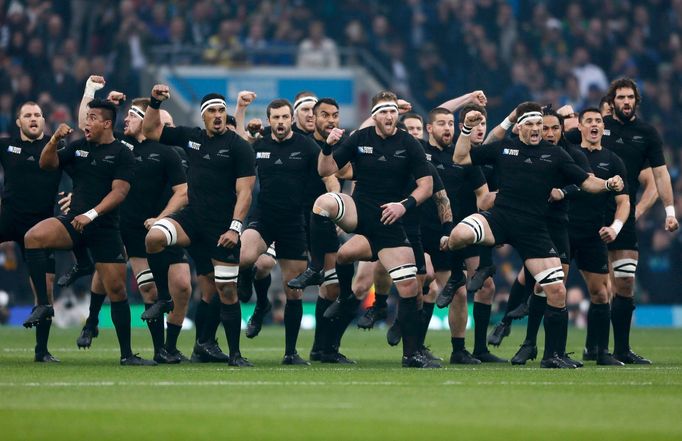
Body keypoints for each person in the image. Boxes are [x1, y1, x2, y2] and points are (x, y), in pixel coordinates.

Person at [448, 101, 623, 368]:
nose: (535, 129)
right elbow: (459, 158)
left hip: (534, 228)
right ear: (518, 128)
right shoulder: (503, 147)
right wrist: (467, 128)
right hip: (501, 218)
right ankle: (453, 259)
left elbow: (587, 182)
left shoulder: (556, 155)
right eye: (530, 124)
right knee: (459, 234)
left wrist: (609, 184)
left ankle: (552, 356)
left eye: (539, 125)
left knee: (556, 291)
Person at [288, 91, 437, 368]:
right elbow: (326, 170)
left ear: (398, 114)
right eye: (383, 112)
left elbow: (426, 186)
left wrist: (404, 205)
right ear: (374, 115)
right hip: (361, 212)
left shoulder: (410, 144)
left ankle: (411, 355)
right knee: (324, 204)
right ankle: (318, 268)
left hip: (391, 221)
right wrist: (327, 148)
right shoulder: (360, 138)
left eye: (393, 111)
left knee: (408, 287)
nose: (389, 116)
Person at [24, 99, 155, 366]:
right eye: (87, 117)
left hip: (104, 228)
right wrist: (53, 141)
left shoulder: (122, 153)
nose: (87, 122)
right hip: (75, 222)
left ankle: (127, 355)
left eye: (93, 118)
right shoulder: (79, 147)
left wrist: (92, 214)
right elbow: (47, 165)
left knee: (117, 290)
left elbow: (119, 192)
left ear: (107, 123)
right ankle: (44, 305)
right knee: (33, 238)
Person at [142, 85, 256, 367]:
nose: (218, 116)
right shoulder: (191, 138)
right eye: (212, 112)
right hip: (192, 220)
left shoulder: (239, 147)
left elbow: (245, 192)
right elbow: (151, 131)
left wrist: (235, 228)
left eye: (221, 111)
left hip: (221, 229)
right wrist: (155, 103)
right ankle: (164, 299)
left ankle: (234, 355)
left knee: (223, 291)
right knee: (154, 237)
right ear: (203, 116)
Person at [523, 107, 627, 366]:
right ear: (578, 126)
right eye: (588, 121)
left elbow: (622, 200)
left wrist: (615, 226)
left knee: (602, 293)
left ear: (603, 127)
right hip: (563, 230)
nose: (594, 125)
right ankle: (537, 346)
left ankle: (601, 352)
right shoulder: (562, 153)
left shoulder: (612, 160)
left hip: (593, 232)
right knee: (552, 288)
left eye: (598, 121)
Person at [599, 78, 679, 364]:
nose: (626, 102)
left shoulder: (646, 133)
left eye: (630, 97)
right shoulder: (599, 128)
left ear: (636, 101)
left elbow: (660, 175)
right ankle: (592, 348)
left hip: (623, 218)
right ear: (612, 101)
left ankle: (621, 350)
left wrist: (668, 213)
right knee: (597, 287)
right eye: (621, 97)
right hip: (591, 216)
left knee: (624, 285)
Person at [238, 99, 319, 365]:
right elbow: (236, 144)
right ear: (269, 120)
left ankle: (290, 353)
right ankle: (261, 303)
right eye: (276, 118)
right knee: (245, 256)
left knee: (293, 291)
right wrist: (242, 115)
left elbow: (327, 169)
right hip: (264, 216)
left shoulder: (307, 146)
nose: (281, 122)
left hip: (294, 222)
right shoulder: (259, 143)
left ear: (291, 119)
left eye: (285, 117)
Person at [0, 101, 62, 362]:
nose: (33, 119)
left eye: (37, 115)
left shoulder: (56, 147)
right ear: (18, 122)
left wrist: (71, 195)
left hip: (40, 227)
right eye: (28, 115)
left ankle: (42, 351)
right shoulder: (6, 146)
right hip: (8, 219)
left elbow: (80, 173)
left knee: (45, 288)